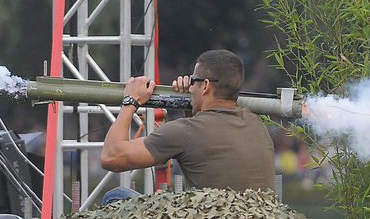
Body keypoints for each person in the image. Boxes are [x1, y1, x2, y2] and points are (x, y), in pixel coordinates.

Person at [99, 49, 275, 203]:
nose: (190, 88)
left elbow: (111, 156)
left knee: (116, 195)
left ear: (205, 85)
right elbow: (205, 142)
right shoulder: (256, 124)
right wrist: (189, 106)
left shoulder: (186, 132)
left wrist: (131, 101)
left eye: (193, 81)